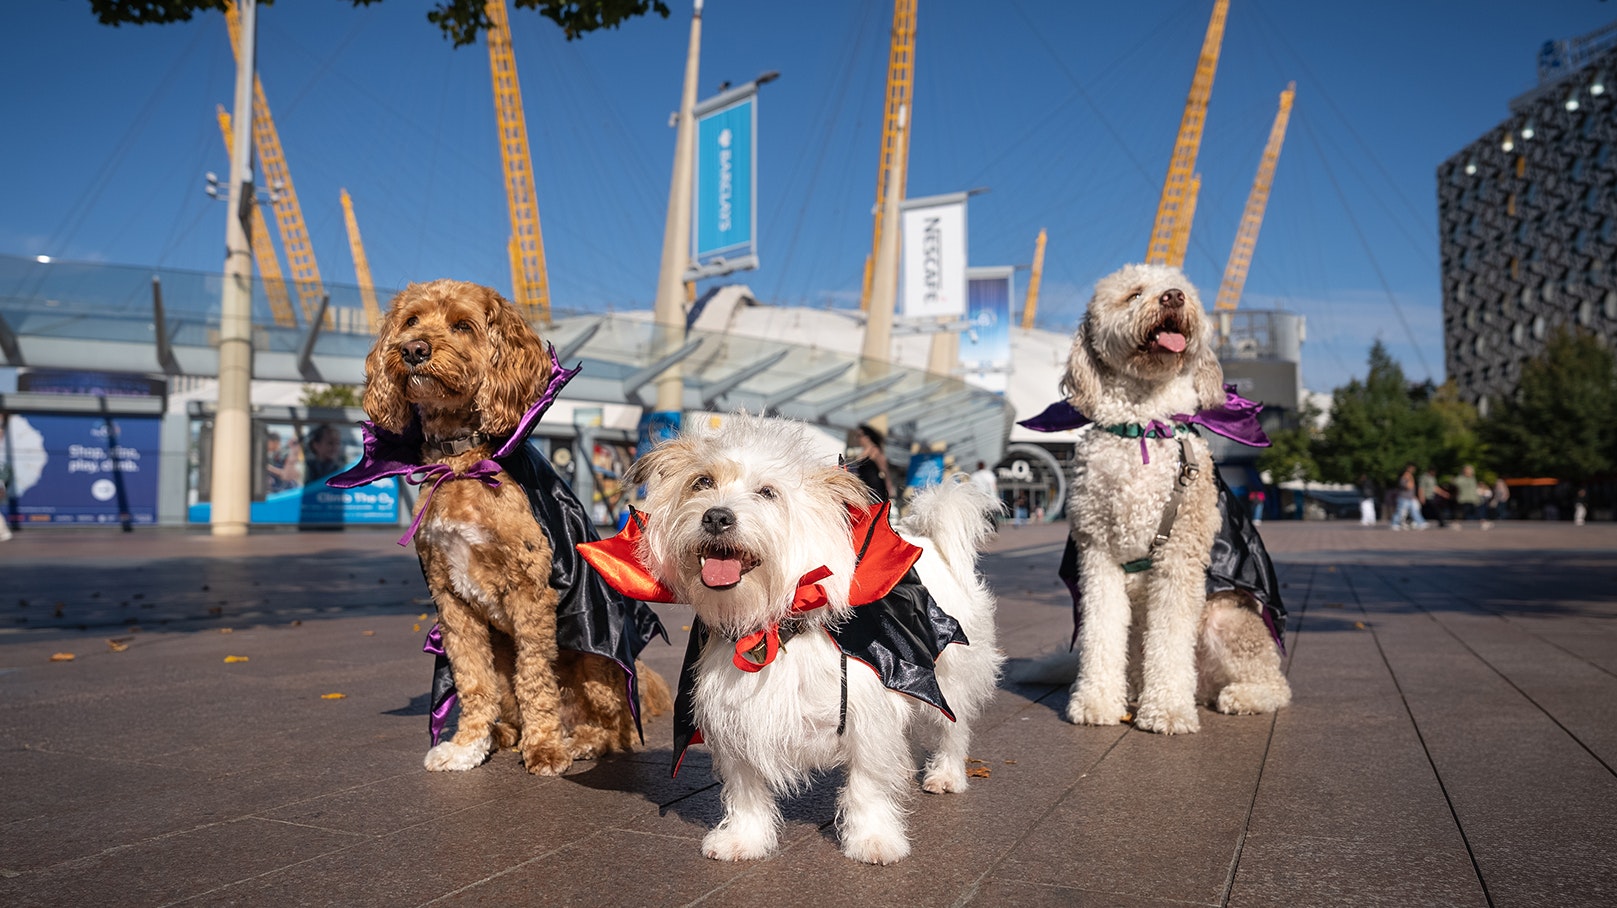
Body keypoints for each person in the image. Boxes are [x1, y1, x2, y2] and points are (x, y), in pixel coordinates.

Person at [850, 423, 892, 504]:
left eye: (859, 435)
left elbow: (884, 470)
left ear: (867, 437)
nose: (857, 438)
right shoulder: (863, 452)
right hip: (865, 487)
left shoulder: (875, 450)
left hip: (875, 487)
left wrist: (889, 488)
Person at [1392, 463, 1428, 530]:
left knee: (1415, 511)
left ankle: (1420, 522)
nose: (1413, 470)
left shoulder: (1409, 476)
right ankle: (1395, 524)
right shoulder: (1405, 477)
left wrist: (1414, 496)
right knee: (1400, 512)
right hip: (1404, 498)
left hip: (1410, 498)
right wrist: (1410, 478)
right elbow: (1409, 486)